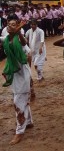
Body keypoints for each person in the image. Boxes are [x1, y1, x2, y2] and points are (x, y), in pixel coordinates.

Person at [2, 16, 32, 145]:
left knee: (17, 103)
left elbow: (24, 43)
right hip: (13, 74)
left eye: (13, 24)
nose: (10, 26)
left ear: (18, 27)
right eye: (9, 24)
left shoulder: (20, 40)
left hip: (23, 75)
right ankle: (29, 121)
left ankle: (19, 132)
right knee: (20, 99)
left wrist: (18, 31)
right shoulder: (6, 40)